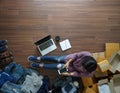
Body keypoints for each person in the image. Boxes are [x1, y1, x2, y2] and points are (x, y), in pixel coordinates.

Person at [27, 51, 97, 77]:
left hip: (72, 69)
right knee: (57, 59)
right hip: (70, 59)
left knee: (59, 66)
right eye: (83, 65)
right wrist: (69, 62)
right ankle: (38, 58)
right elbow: (75, 56)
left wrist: (68, 74)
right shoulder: (87, 54)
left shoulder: (89, 74)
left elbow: (78, 74)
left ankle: (40, 65)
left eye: (84, 68)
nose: (82, 67)